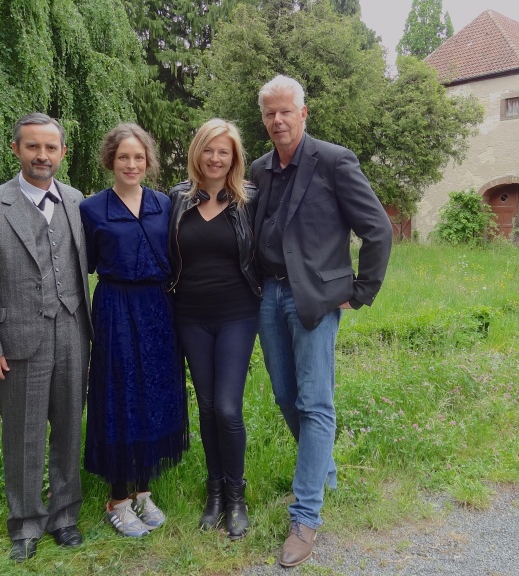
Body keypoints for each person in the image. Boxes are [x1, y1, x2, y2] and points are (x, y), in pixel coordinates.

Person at [250, 75, 393, 567]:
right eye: (270, 113)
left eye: (286, 111)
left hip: (315, 299)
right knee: (286, 395)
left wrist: (361, 292)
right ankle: (323, 464)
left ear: (303, 113)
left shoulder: (333, 160)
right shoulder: (260, 169)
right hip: (269, 296)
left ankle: (306, 514)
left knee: (315, 401)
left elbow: (378, 229)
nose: (278, 120)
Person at [0, 112, 92, 562]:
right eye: (33, 147)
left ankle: (65, 515)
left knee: (69, 429)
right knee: (23, 433)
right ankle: (25, 524)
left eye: (51, 148)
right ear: (16, 149)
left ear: (62, 153)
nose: (42, 156)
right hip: (17, 337)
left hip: (74, 331)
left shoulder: (78, 201)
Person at [79, 123, 188, 539]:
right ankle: (118, 498)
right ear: (111, 159)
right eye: (123, 156)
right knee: (121, 397)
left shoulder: (165, 203)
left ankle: (144, 491)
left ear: (148, 161)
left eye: (138, 157)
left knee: (154, 395)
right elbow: (84, 264)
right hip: (116, 309)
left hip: (159, 308)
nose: (131, 164)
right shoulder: (91, 209)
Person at [168, 119, 261, 540]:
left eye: (224, 151)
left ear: (234, 158)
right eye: (209, 149)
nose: (215, 158)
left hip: (237, 313)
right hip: (189, 316)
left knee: (227, 406)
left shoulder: (249, 200)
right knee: (205, 407)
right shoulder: (176, 199)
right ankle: (215, 493)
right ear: (197, 153)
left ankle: (237, 496)